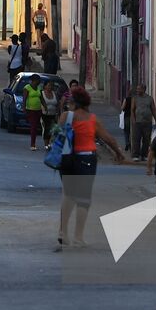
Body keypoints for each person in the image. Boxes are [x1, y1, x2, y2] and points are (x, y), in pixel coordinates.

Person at [56, 87, 127, 250]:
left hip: (67, 159)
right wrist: (118, 153)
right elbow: (108, 138)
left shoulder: (65, 117)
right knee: (83, 198)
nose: (69, 104)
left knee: (68, 195)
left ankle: (62, 231)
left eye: (70, 102)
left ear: (74, 103)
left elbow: (58, 136)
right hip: (86, 158)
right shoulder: (91, 119)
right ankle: (78, 237)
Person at [128, 83, 156, 162]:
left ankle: (144, 155)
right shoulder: (135, 98)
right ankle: (135, 155)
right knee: (136, 139)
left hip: (147, 122)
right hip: (137, 122)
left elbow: (153, 109)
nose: (137, 90)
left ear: (144, 89)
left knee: (146, 139)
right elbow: (132, 109)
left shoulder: (149, 98)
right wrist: (133, 120)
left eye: (139, 89)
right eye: (137, 89)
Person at [23, 74, 45, 149]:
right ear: (34, 80)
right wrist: (24, 109)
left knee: (36, 126)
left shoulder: (39, 88)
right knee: (33, 127)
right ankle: (32, 144)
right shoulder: (27, 88)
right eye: (38, 80)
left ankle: (34, 143)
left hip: (38, 110)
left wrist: (45, 106)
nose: (39, 82)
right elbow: (24, 99)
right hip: (30, 110)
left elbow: (41, 98)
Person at [38, 79, 59, 147]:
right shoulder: (42, 93)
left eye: (51, 85)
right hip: (44, 114)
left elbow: (57, 104)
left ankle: (50, 143)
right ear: (45, 86)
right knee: (46, 129)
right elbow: (39, 102)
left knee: (53, 130)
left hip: (53, 114)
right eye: (49, 85)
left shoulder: (54, 93)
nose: (50, 87)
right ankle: (46, 144)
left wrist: (57, 113)